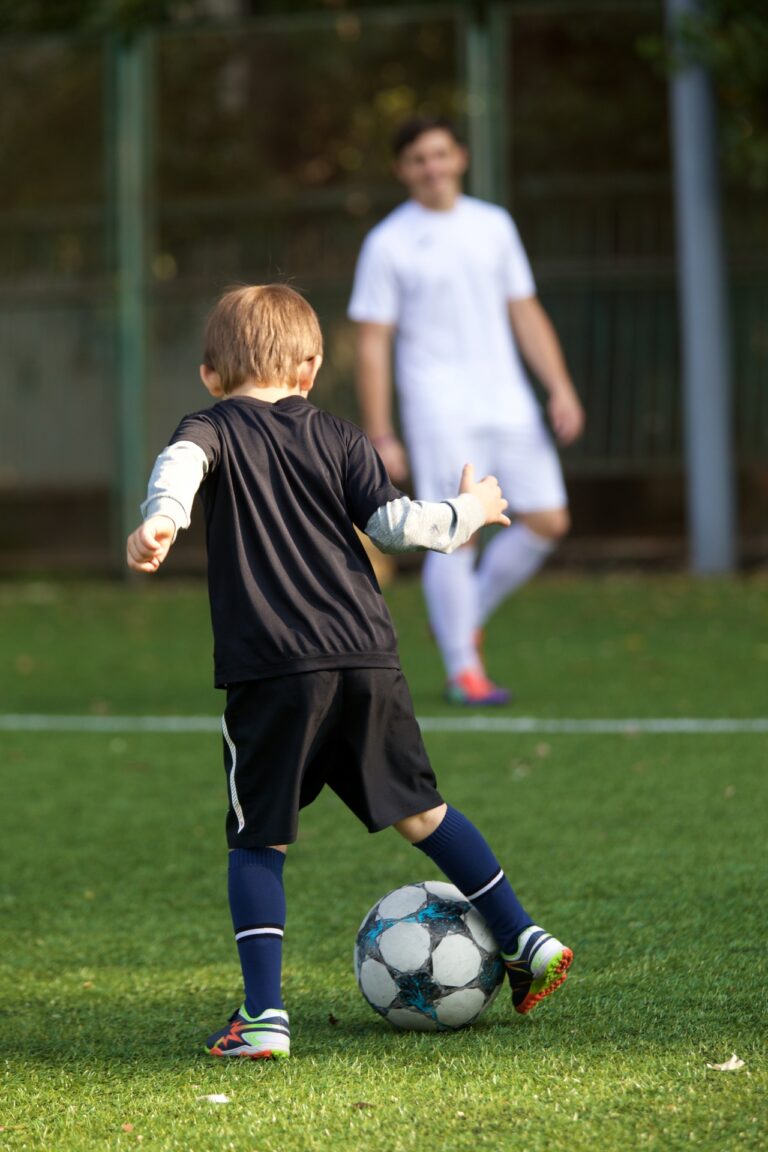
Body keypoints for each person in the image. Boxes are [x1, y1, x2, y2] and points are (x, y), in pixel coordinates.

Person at [126, 284, 573, 1060]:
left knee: (258, 843)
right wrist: (467, 511)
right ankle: (524, 936)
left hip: (273, 668)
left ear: (209, 374)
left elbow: (182, 465)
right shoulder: (339, 435)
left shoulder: (209, 425)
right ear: (310, 367)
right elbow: (397, 526)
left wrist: (161, 518)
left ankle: (263, 1017)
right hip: (367, 655)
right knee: (422, 812)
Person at [349, 116, 585, 706]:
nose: (431, 167)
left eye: (440, 154)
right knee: (456, 533)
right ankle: (464, 670)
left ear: (459, 157)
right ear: (403, 170)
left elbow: (524, 311)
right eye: (417, 160)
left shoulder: (493, 225)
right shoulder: (388, 242)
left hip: (509, 401)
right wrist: (380, 430)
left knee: (549, 519)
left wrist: (558, 385)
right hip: (438, 408)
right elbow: (372, 341)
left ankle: (463, 614)